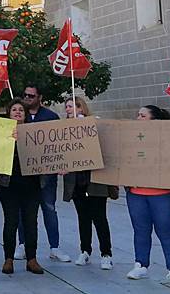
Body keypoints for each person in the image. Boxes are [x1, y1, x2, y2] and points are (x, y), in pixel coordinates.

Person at [124, 104, 170, 286]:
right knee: (140, 230)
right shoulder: (130, 137)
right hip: (137, 192)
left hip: (163, 194)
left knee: (166, 231)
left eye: (142, 115)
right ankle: (140, 264)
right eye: (138, 115)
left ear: (154, 120)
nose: (138, 118)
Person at [16, 85, 70, 263]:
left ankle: (54, 247)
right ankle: (22, 245)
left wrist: (62, 163)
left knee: (49, 209)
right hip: (24, 175)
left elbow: (60, 144)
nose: (27, 98)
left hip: (47, 175)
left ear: (39, 97)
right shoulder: (18, 116)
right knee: (22, 211)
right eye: (25, 95)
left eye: (31, 95)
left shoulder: (50, 117)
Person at [62, 96, 115, 270]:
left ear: (81, 108)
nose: (68, 110)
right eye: (67, 107)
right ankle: (85, 250)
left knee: (99, 218)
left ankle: (106, 254)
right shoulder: (63, 129)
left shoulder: (95, 123)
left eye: (71, 106)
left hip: (95, 181)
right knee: (83, 218)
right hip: (77, 181)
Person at [0, 102, 44, 276]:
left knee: (31, 222)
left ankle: (31, 259)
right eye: (14, 110)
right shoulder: (1, 133)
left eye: (21, 110)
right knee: (11, 221)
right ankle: (8, 259)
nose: (17, 112)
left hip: (31, 184)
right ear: (9, 113)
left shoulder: (34, 132)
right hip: (9, 184)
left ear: (25, 114)